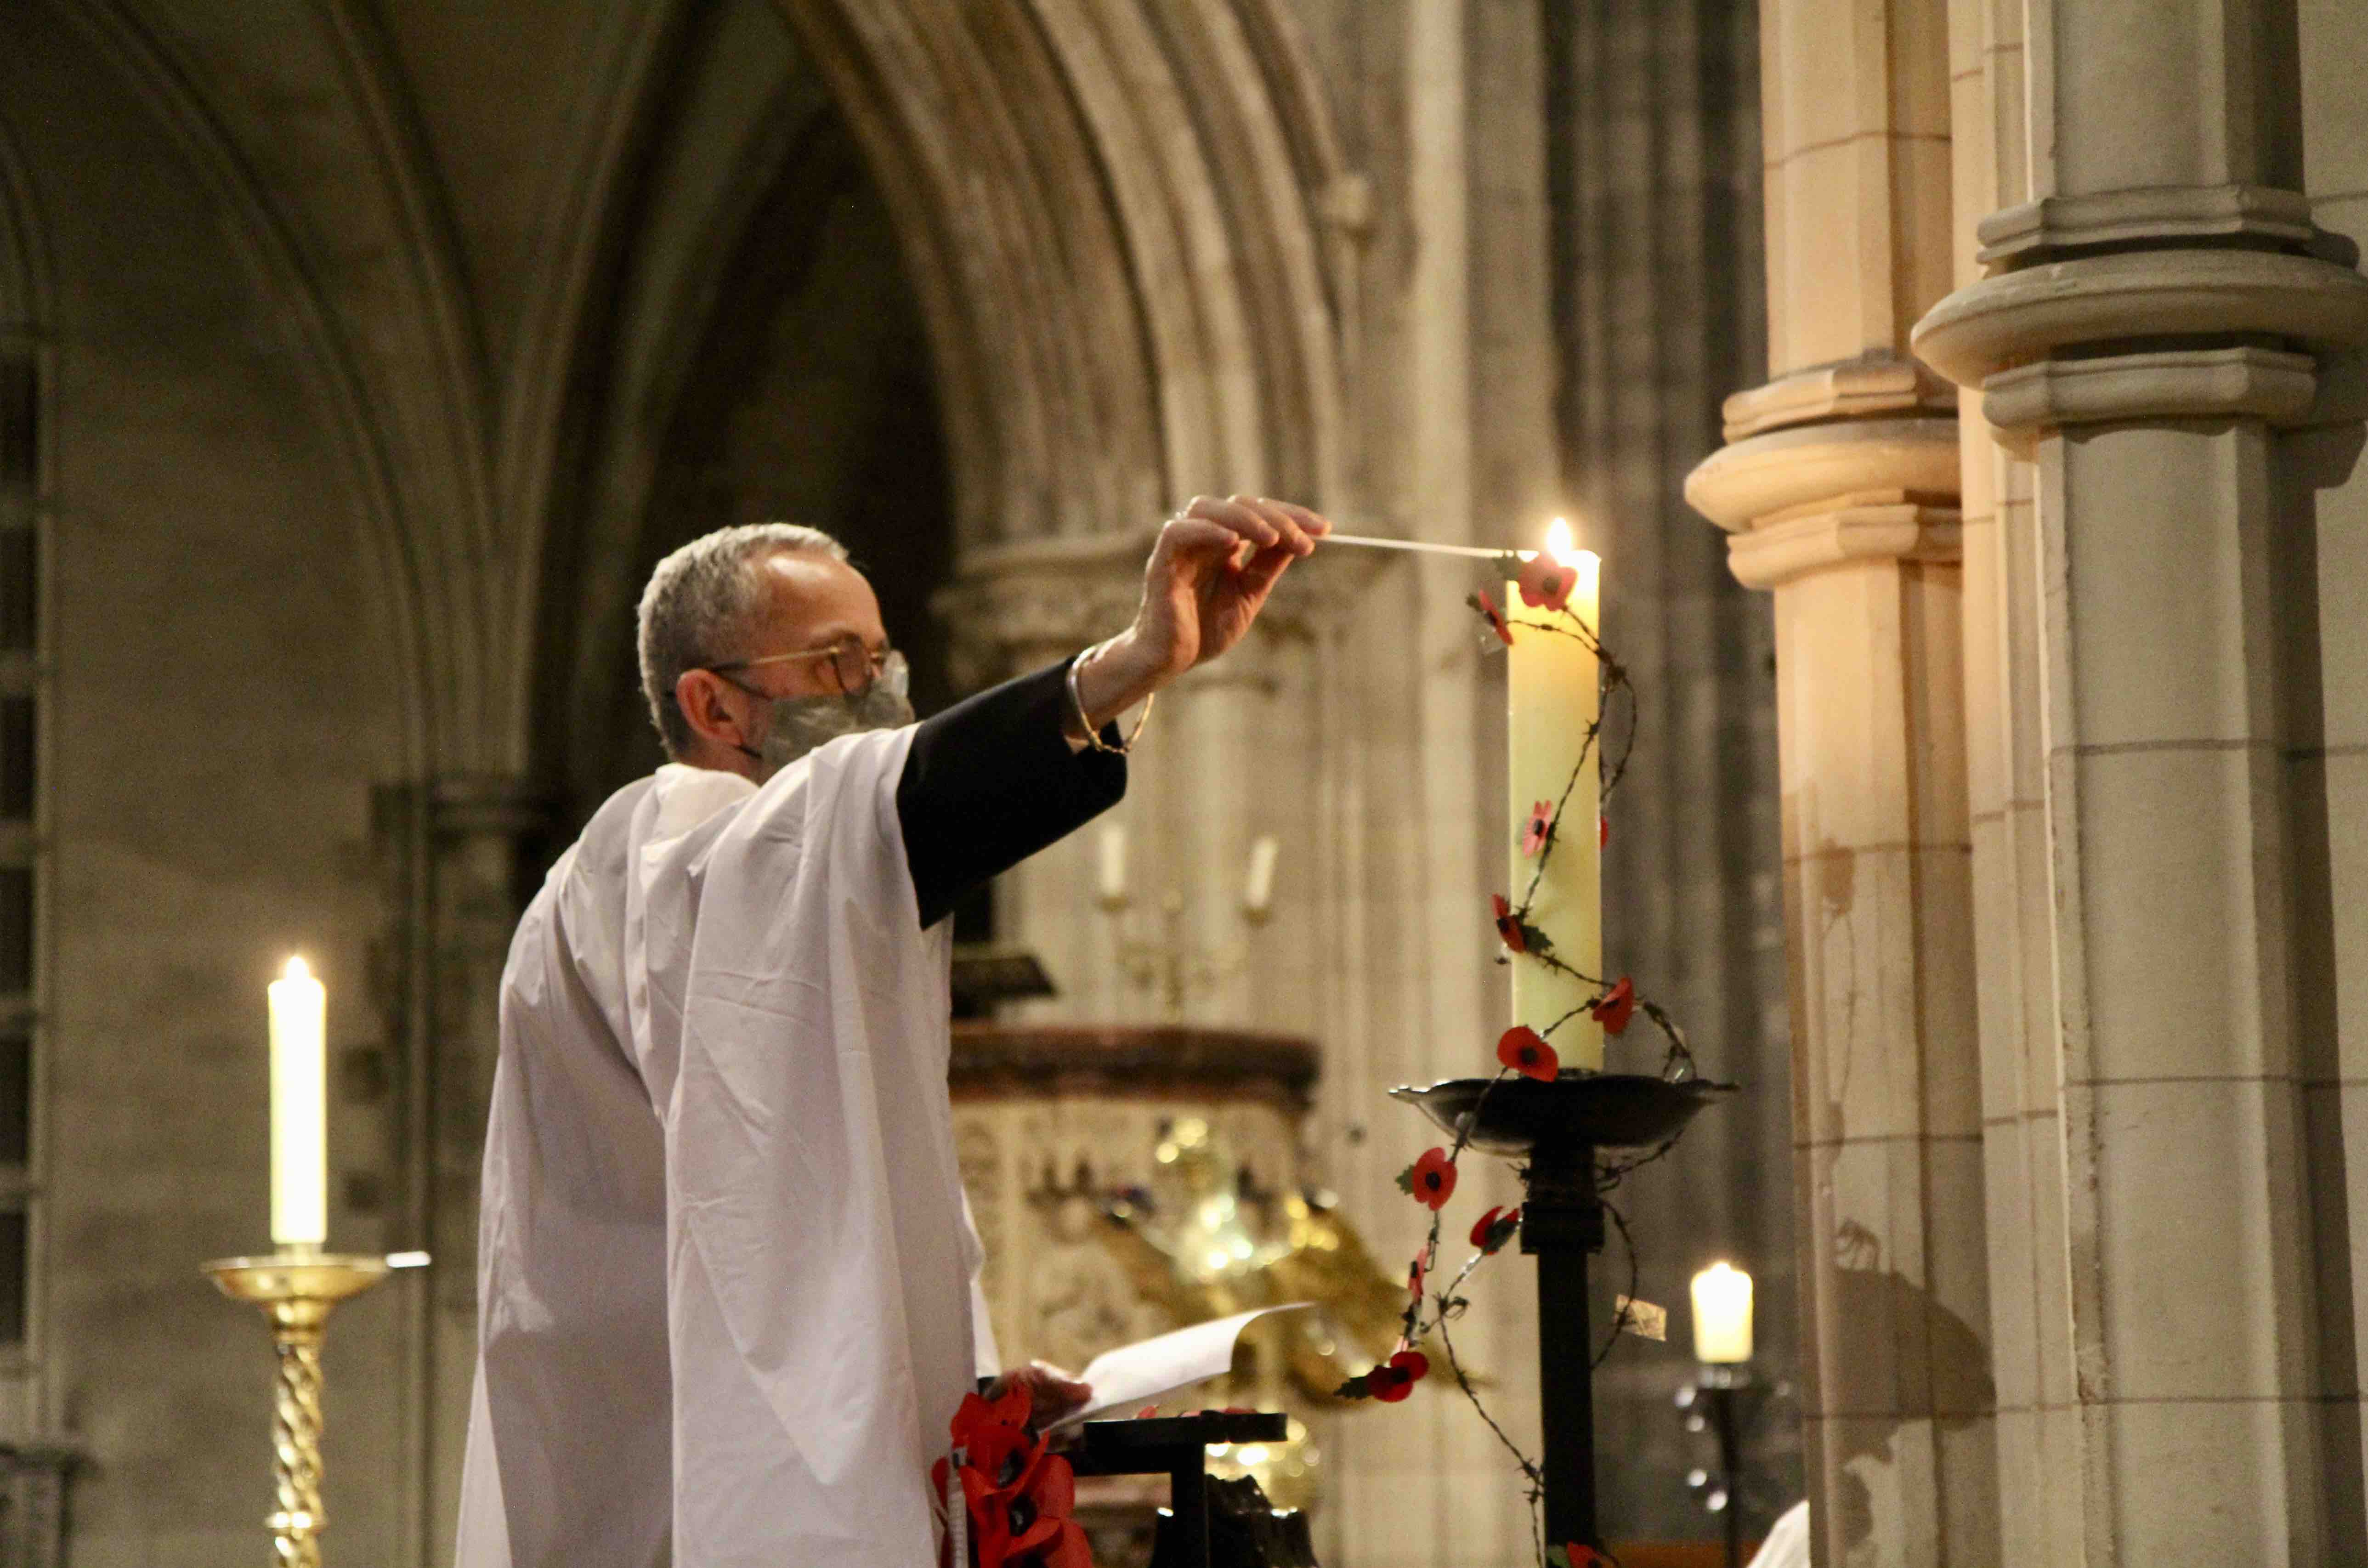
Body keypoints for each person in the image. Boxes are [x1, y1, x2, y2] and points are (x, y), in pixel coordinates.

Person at [453, 496, 1331, 1567]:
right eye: (836, 663)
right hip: (656, 1472)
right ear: (712, 703)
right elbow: (885, 805)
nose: (880, 694)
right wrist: (1130, 663)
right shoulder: (656, 851)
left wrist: (966, 1392)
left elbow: (784, 1211)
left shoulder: (779, 877)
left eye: (884, 657)